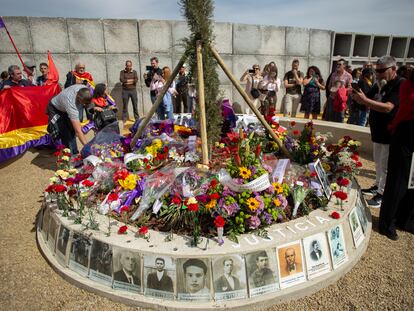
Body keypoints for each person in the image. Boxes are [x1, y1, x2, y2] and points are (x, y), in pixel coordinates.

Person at [352, 56, 404, 208]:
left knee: (385, 165)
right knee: (379, 164)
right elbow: (370, 99)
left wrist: (365, 101)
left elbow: (388, 107)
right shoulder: (382, 84)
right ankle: (377, 185)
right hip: (378, 131)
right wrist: (359, 97)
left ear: (393, 69)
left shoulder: (399, 84)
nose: (378, 73)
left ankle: (382, 194)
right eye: (377, 70)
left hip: (389, 133)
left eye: (382, 70)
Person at [378, 68, 414, 240]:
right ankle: (387, 222)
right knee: (398, 180)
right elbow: (405, 109)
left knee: (412, 181)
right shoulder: (407, 85)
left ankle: (405, 219)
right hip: (406, 133)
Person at [47, 84, 93, 154]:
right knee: (65, 133)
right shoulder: (71, 103)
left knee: (71, 129)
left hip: (64, 105)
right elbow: (78, 131)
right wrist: (88, 147)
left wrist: (94, 108)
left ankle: (73, 152)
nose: (84, 106)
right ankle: (71, 155)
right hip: (55, 108)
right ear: (78, 97)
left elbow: (89, 103)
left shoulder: (84, 89)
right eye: (83, 104)